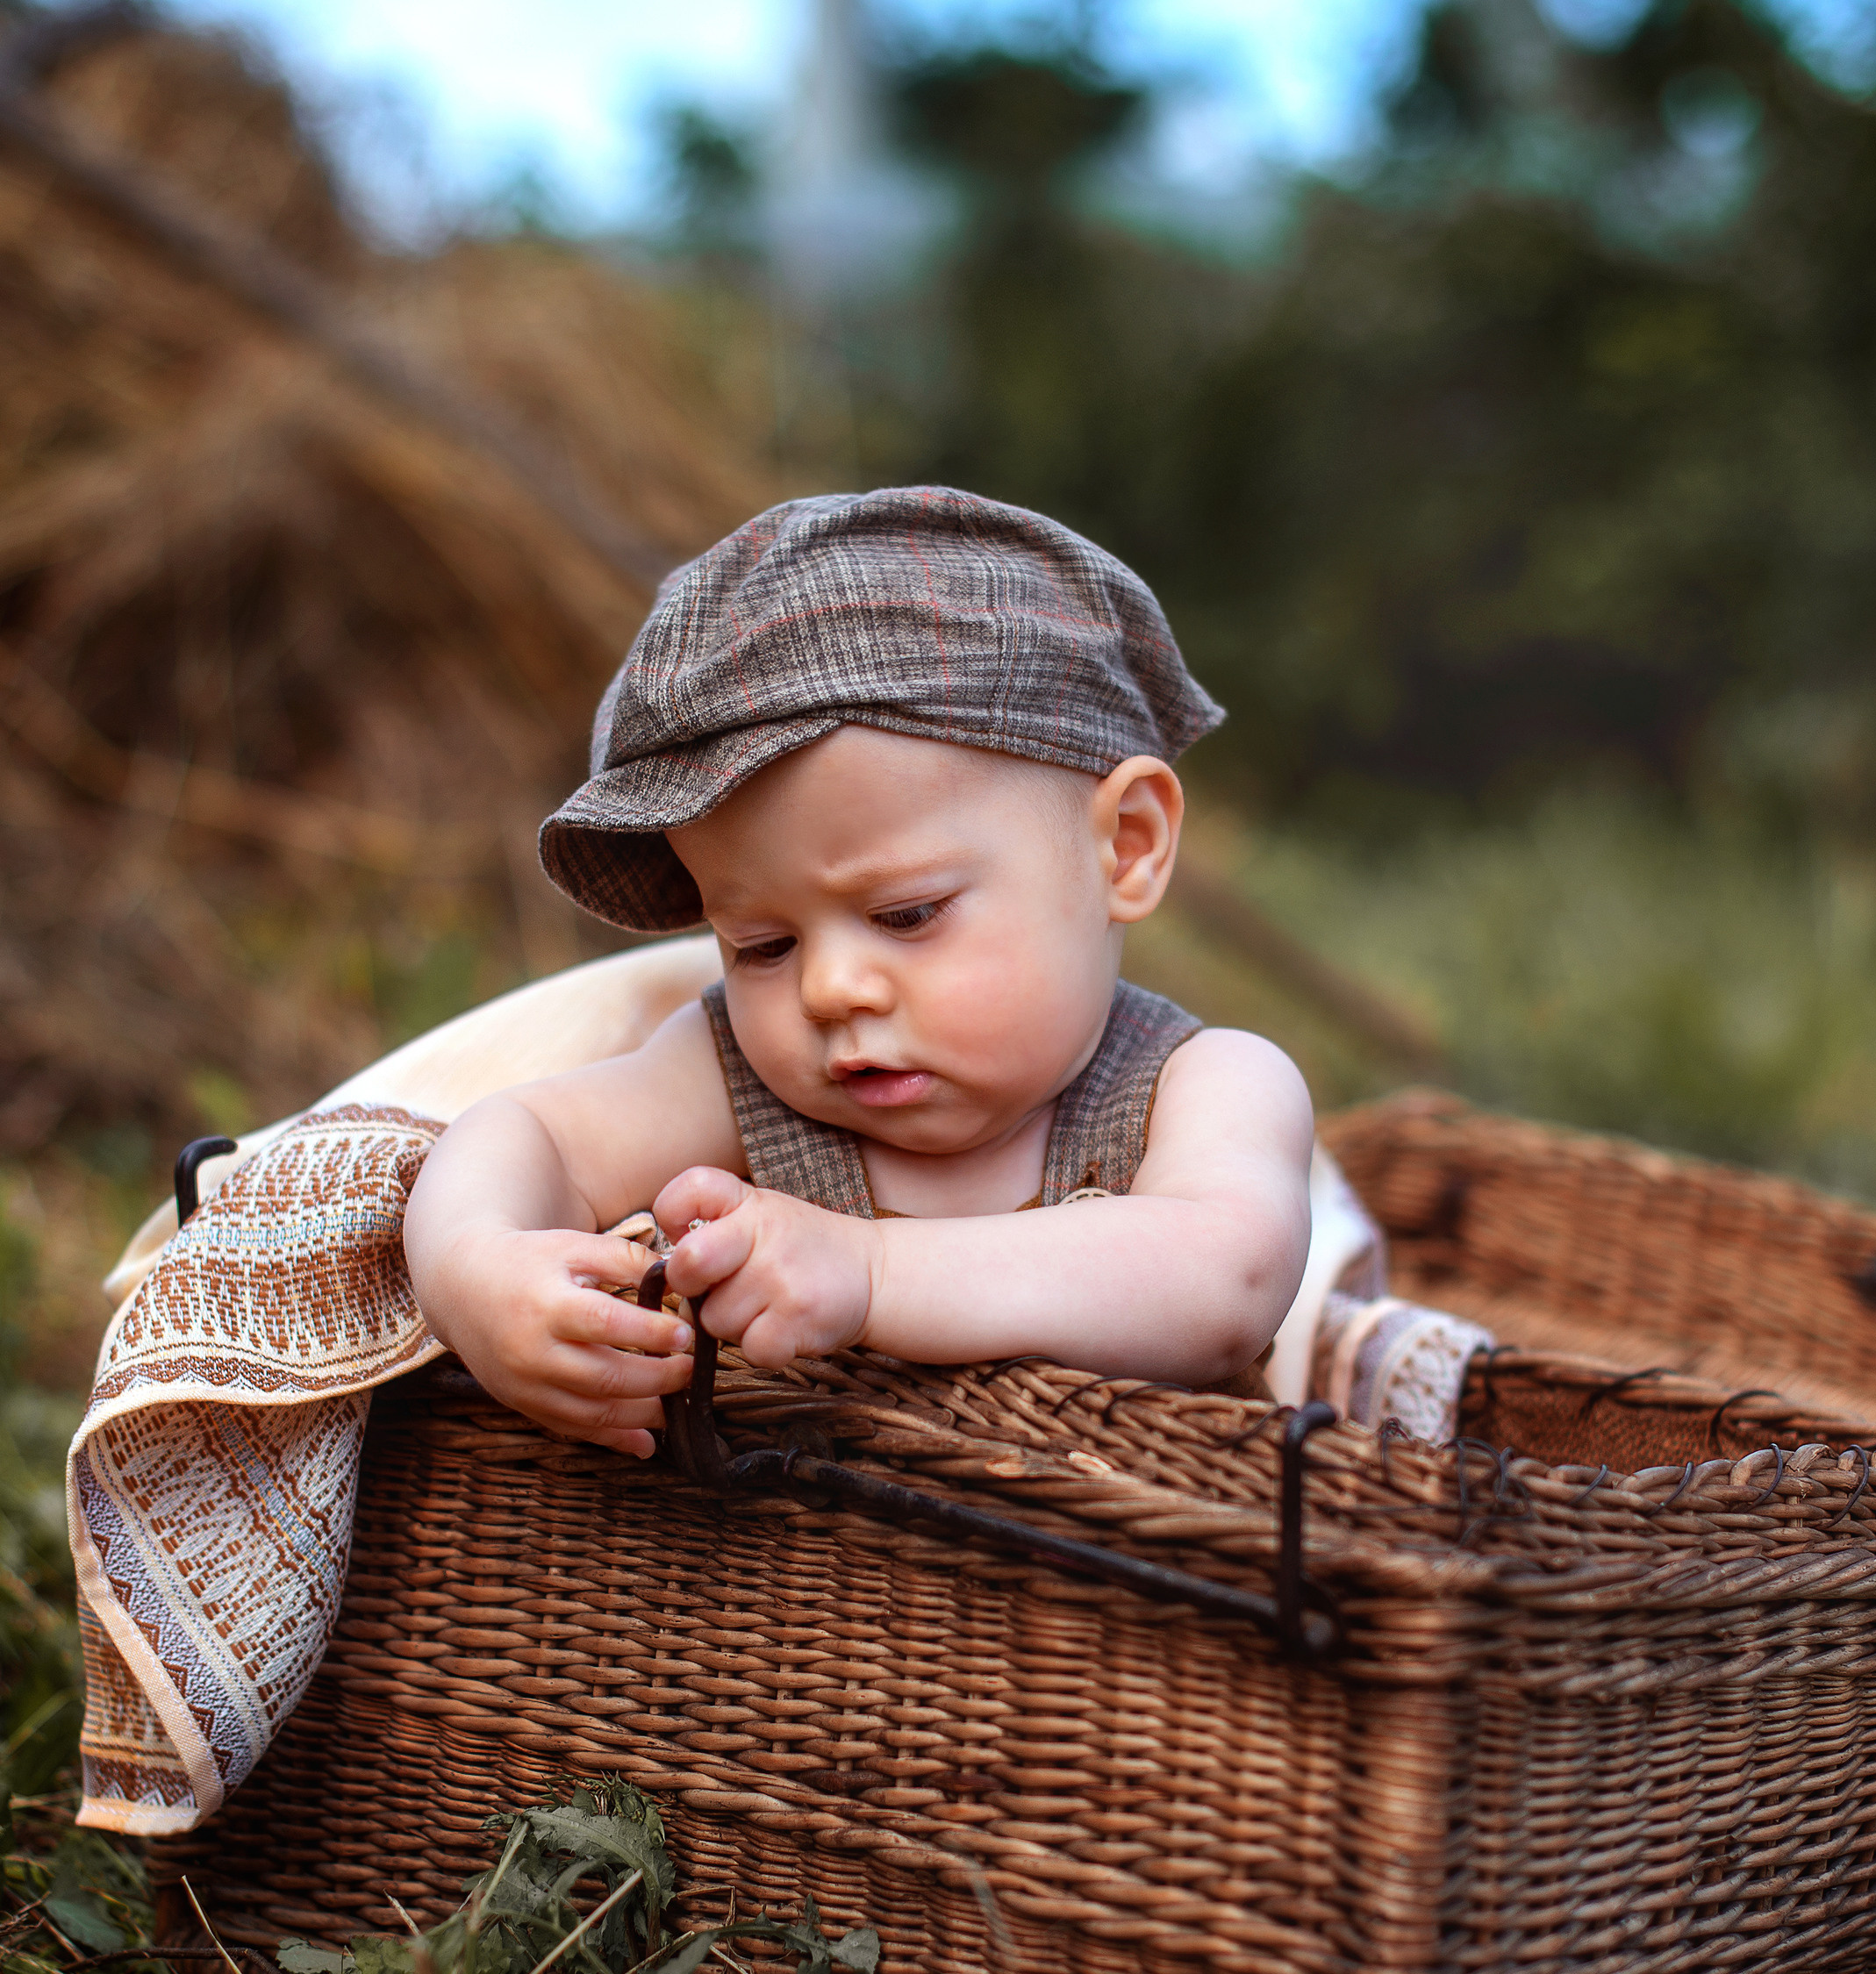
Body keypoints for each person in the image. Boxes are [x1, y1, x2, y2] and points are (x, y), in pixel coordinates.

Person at [402, 487, 1316, 1461]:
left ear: (1124, 847)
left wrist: (872, 1271)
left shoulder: (1200, 1085)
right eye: (762, 944)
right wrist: (474, 1270)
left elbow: (1226, 1281)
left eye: (905, 915)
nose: (831, 991)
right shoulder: (743, 1082)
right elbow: (531, 1132)